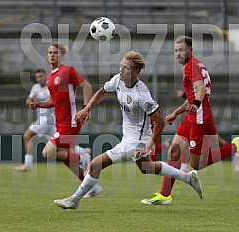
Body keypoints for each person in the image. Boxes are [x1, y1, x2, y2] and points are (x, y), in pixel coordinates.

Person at [53, 50, 204, 210]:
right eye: (121, 66)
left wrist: (149, 144)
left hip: (137, 141)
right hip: (128, 137)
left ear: (136, 72)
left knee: (95, 164)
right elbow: (102, 91)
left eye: (125, 68)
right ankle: (188, 178)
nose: (121, 70)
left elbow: (159, 121)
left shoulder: (141, 94)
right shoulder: (118, 80)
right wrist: (87, 108)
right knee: (148, 168)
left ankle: (74, 200)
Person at [141, 36, 239, 205]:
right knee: (174, 150)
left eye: (182, 50)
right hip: (196, 114)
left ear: (190, 50)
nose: (178, 53)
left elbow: (200, 89)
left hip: (199, 117)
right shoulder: (194, 65)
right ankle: (165, 195)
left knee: (196, 164)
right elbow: (195, 95)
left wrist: (195, 103)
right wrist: (176, 112)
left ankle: (234, 147)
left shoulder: (191, 67)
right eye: (176, 50)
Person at [29, 42, 102, 197]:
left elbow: (87, 87)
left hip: (71, 121)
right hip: (60, 122)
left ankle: (82, 158)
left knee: (47, 153)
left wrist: (85, 108)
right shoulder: (49, 77)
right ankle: (91, 186)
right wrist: (38, 104)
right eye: (50, 52)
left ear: (61, 55)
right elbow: (53, 101)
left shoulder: (67, 71)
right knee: (65, 157)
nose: (52, 55)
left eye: (55, 52)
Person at [15, 69, 56, 172]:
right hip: (46, 121)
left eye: (41, 76)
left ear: (45, 76)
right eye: (37, 77)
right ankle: (81, 153)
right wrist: (32, 98)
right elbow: (28, 102)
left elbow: (54, 100)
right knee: (62, 143)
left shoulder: (50, 86)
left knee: (27, 136)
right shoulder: (35, 87)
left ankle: (28, 165)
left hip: (46, 119)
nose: (39, 78)